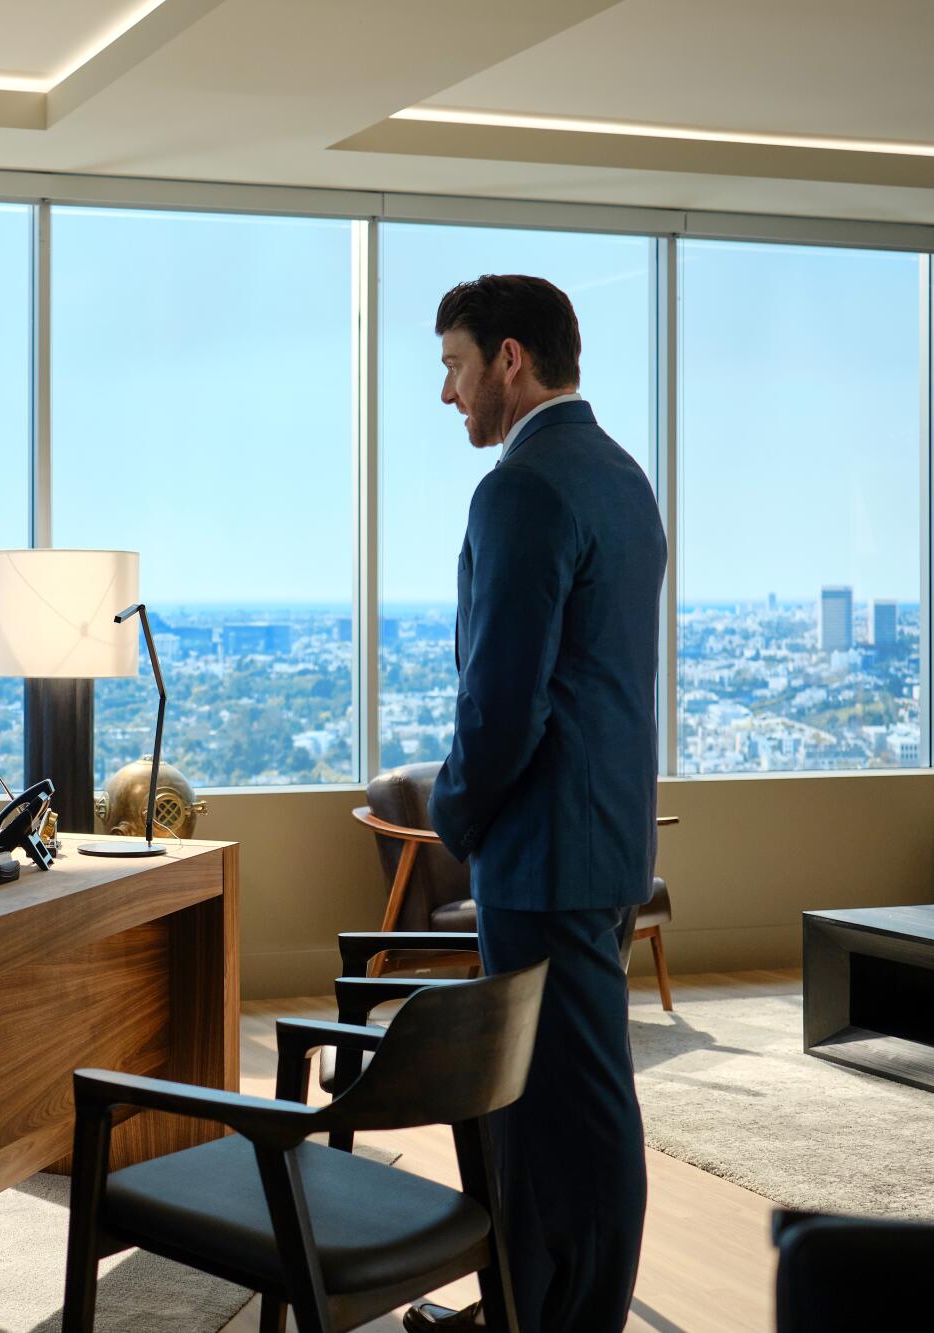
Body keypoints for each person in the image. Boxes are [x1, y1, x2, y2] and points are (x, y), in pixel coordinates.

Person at [404, 276, 666, 1333]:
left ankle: (570, 1317)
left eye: (452, 367)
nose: (446, 394)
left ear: (507, 360)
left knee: (573, 1113)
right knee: (536, 1104)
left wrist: (452, 816)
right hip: (600, 842)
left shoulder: (520, 487)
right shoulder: (619, 476)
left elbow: (502, 698)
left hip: (544, 851)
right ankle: (518, 1305)